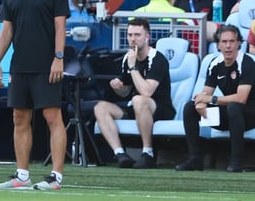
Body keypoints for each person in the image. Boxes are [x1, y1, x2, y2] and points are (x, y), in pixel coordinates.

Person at [0, 0, 69, 190]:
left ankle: (56, 177)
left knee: (52, 117)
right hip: (19, 65)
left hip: (47, 65)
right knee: (19, 117)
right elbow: (7, 31)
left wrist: (58, 58)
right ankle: (22, 175)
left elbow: (60, 26)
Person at [94, 18, 175, 169]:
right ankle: (119, 153)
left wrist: (133, 68)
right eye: (130, 35)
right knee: (100, 107)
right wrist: (118, 87)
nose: (133, 39)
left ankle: (147, 153)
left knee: (139, 99)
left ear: (147, 37)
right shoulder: (128, 58)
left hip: (160, 108)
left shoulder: (157, 59)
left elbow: (147, 91)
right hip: (136, 106)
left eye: (137, 35)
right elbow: (126, 92)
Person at [176, 25, 255, 172]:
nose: (228, 46)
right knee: (190, 107)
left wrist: (210, 100)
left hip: (250, 115)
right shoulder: (215, 63)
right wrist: (200, 102)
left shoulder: (247, 63)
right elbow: (205, 93)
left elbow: (241, 98)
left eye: (232, 41)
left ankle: (236, 160)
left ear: (239, 43)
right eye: (224, 42)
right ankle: (195, 158)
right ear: (218, 45)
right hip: (231, 115)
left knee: (234, 106)